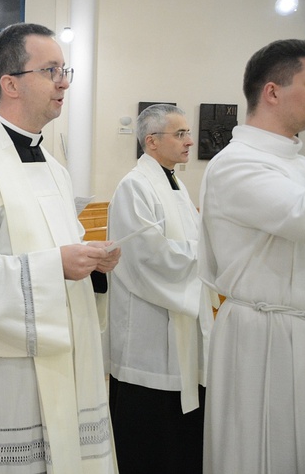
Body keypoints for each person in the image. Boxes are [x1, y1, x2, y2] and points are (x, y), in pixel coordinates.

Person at [0, 23, 120, 473]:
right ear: (10, 84)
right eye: (51, 70)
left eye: (64, 69)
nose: (64, 82)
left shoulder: (54, 167)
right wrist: (55, 266)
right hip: (6, 377)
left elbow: (65, 244)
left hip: (63, 358)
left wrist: (92, 264)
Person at [199, 39, 305, 474]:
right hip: (262, 333)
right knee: (258, 453)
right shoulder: (237, 163)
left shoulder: (297, 163)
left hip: (294, 328)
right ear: (272, 91)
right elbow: (303, 217)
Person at [107, 104, 216, 474]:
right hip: (150, 331)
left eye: (188, 133)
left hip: (181, 320)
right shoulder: (134, 187)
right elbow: (146, 258)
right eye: (181, 134)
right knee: (150, 439)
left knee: (180, 440)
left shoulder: (176, 183)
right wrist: (207, 256)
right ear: (151, 142)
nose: (189, 141)